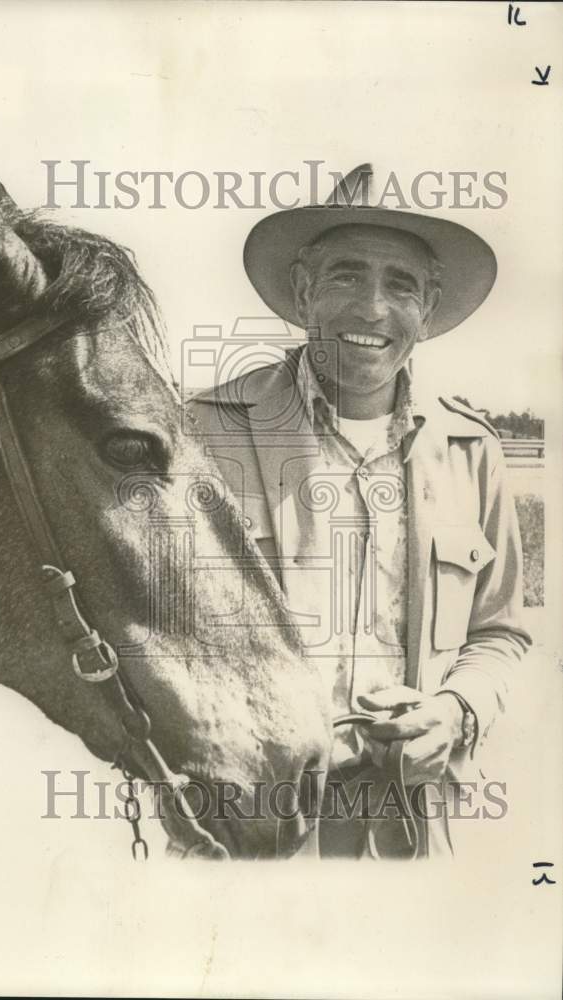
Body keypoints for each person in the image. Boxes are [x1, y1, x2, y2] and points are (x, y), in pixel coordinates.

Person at [188, 165, 531, 858]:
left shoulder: (471, 449)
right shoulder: (200, 432)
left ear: (427, 309)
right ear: (303, 291)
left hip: (411, 821)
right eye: (344, 275)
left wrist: (453, 713)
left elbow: (500, 634)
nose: (372, 309)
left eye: (399, 284)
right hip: (247, 820)